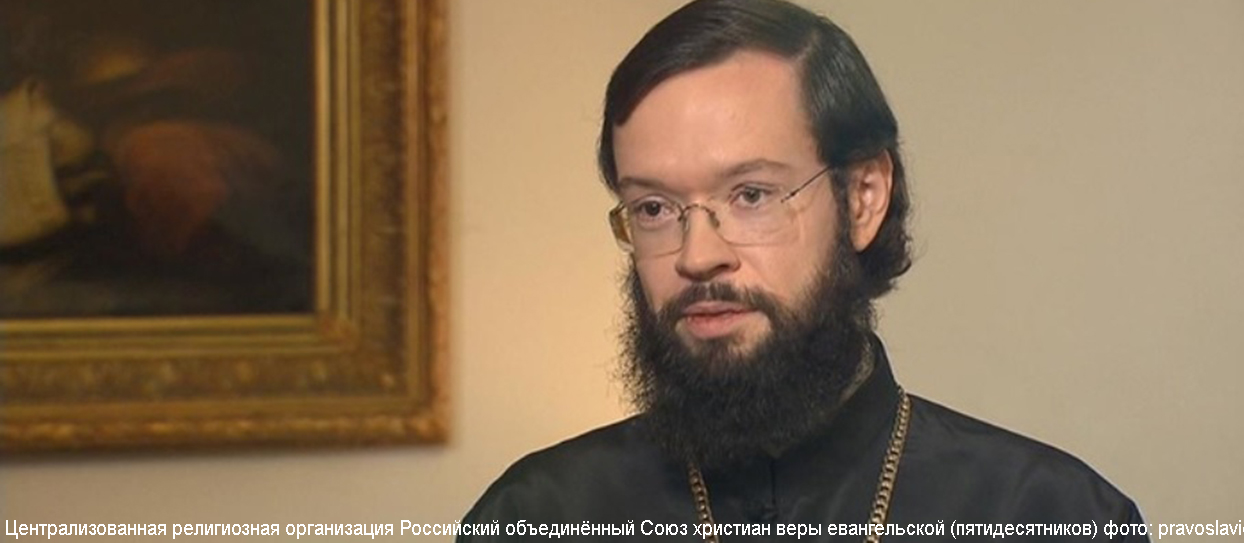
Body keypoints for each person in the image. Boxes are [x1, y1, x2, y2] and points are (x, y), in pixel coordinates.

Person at [462, 1, 1146, 541]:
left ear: (863, 198)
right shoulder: (535, 516)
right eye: (654, 208)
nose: (696, 255)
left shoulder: (1050, 515)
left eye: (751, 195)